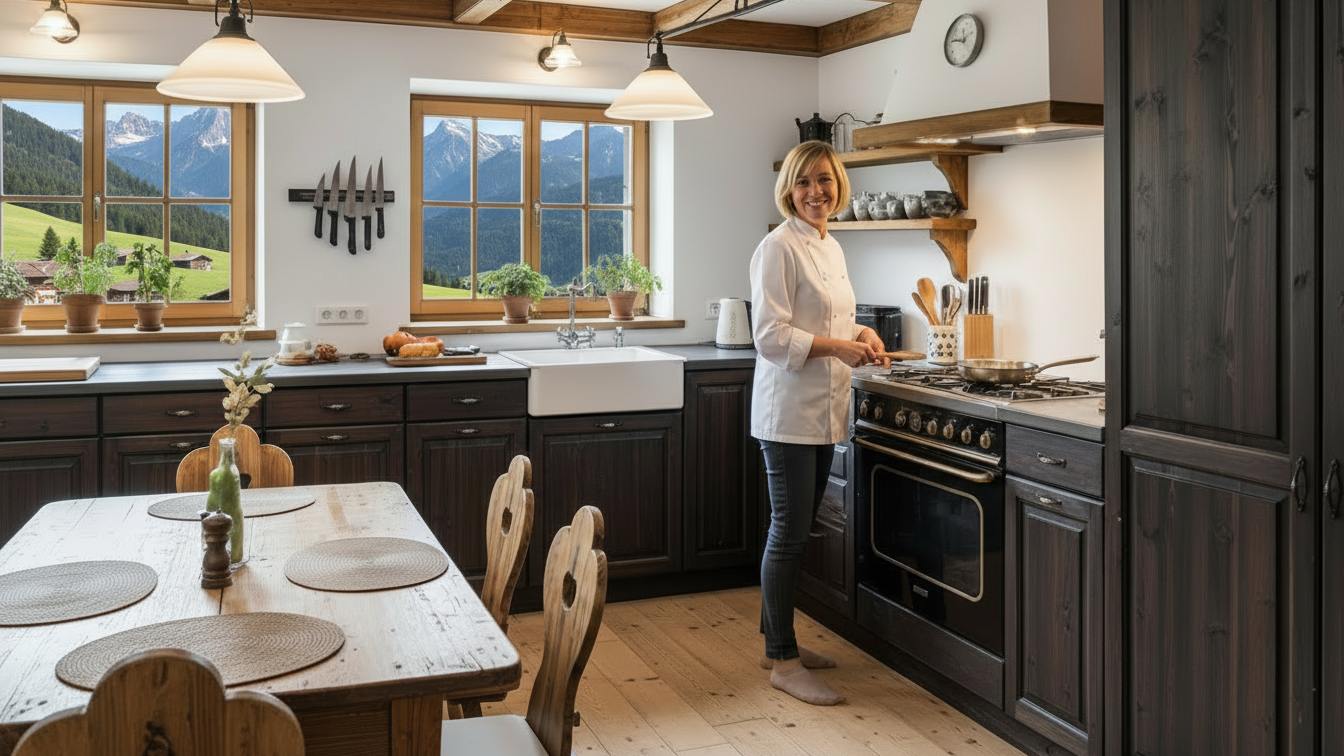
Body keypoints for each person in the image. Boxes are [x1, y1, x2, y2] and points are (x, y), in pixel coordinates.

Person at [749, 140, 889, 706]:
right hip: (787, 414)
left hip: (825, 410)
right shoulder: (777, 246)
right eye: (804, 182)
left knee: (796, 530)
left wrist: (862, 336)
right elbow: (771, 336)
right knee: (788, 533)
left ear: (838, 186)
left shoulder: (832, 246)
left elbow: (835, 318)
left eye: (825, 181)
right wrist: (838, 346)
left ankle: (774, 642)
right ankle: (784, 661)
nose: (816, 192)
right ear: (789, 188)